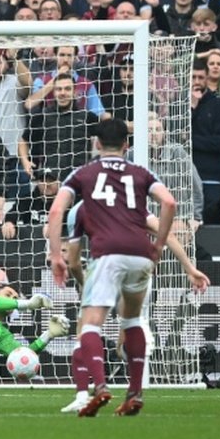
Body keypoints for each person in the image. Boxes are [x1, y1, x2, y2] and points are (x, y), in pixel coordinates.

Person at [48, 118, 178, 417]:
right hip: (140, 253)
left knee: (91, 323)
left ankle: (102, 385)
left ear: (96, 144)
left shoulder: (83, 173)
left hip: (107, 253)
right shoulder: (141, 172)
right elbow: (169, 203)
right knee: (131, 320)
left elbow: (57, 209)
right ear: (126, 145)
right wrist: (157, 245)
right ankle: (135, 392)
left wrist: (57, 254)